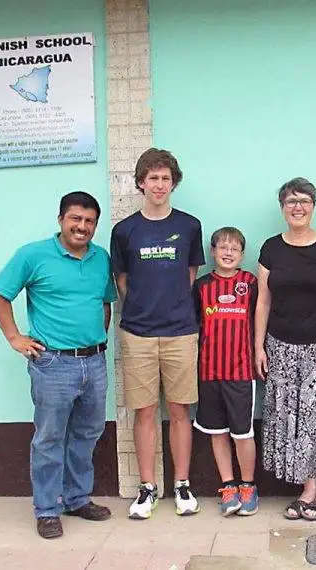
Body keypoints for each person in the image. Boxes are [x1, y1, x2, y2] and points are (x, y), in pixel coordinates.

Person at [0, 191, 116, 540]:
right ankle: (47, 509)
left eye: (89, 221)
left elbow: (105, 302)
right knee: (49, 437)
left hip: (94, 361)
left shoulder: (100, 258)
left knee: (87, 433)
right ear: (61, 220)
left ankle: (77, 499)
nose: (82, 226)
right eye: (75, 218)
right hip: (53, 364)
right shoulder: (33, 255)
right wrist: (15, 337)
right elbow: (0, 293)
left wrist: (95, 340)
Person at [110, 148, 205, 520]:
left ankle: (182, 484)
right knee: (145, 412)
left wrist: (170, 306)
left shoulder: (190, 225)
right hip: (138, 333)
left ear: (173, 182)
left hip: (181, 331)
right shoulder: (125, 230)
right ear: (141, 183)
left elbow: (190, 276)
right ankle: (147, 488)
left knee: (181, 410)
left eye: (165, 178)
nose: (159, 184)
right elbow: (122, 281)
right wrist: (143, 309)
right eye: (153, 178)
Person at [255, 177, 316, 522]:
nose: (297, 207)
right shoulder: (271, 248)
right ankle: (308, 490)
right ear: (282, 207)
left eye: (304, 201)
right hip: (281, 348)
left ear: (313, 206)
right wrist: (259, 347)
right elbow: (263, 303)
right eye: (290, 202)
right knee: (296, 420)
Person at [192, 227, 259, 517]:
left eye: (234, 248)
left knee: (242, 433)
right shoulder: (202, 286)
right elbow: (194, 326)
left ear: (242, 254)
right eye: (222, 247)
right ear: (213, 252)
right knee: (217, 432)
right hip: (208, 371)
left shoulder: (251, 283)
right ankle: (228, 486)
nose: (228, 252)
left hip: (241, 372)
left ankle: (248, 486)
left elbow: (261, 320)